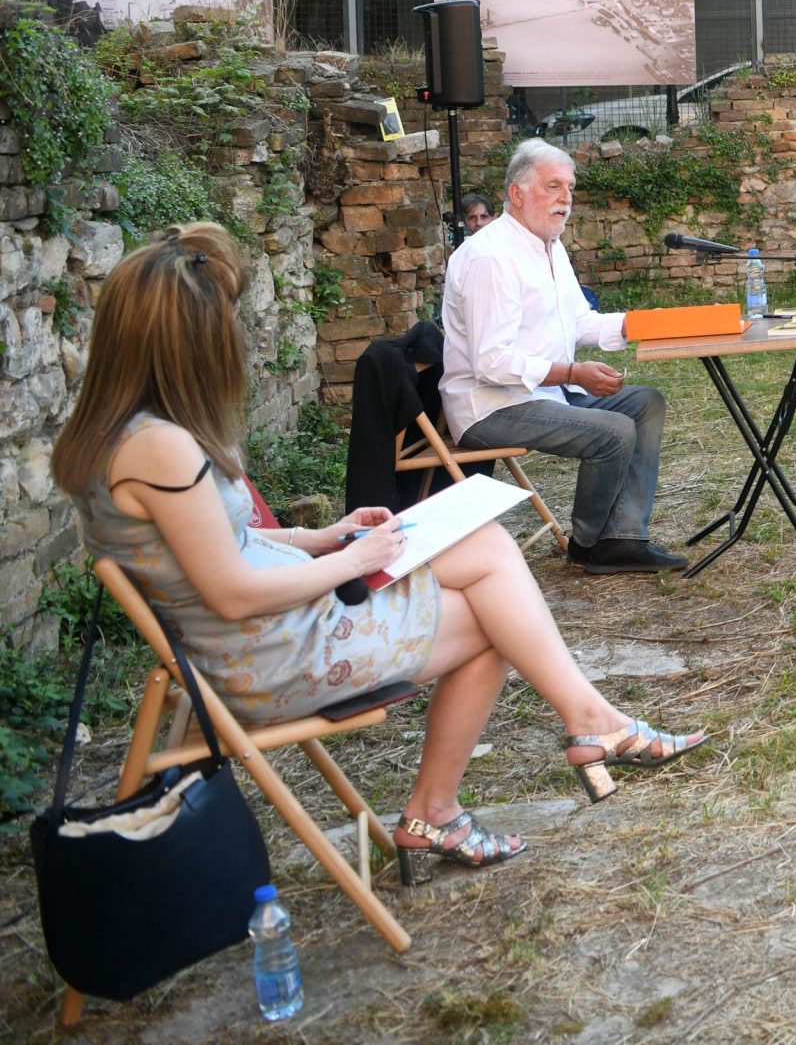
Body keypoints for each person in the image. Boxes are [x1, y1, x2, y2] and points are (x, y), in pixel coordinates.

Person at [56, 226, 706, 877]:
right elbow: (230, 591)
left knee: (483, 544)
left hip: (268, 626)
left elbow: (214, 544)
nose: (235, 341)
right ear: (185, 343)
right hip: (269, 653)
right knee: (494, 621)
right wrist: (351, 561)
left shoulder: (122, 432)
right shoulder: (161, 448)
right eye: (224, 325)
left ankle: (582, 723)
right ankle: (454, 800)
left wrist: (318, 538)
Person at [446, 140, 680, 574]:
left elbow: (578, 322)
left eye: (570, 188)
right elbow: (492, 362)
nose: (565, 199)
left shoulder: (549, 246)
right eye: (553, 186)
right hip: (492, 406)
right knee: (613, 431)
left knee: (646, 404)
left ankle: (624, 537)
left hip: (544, 395)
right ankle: (587, 546)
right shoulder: (490, 256)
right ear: (516, 193)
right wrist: (572, 372)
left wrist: (641, 324)